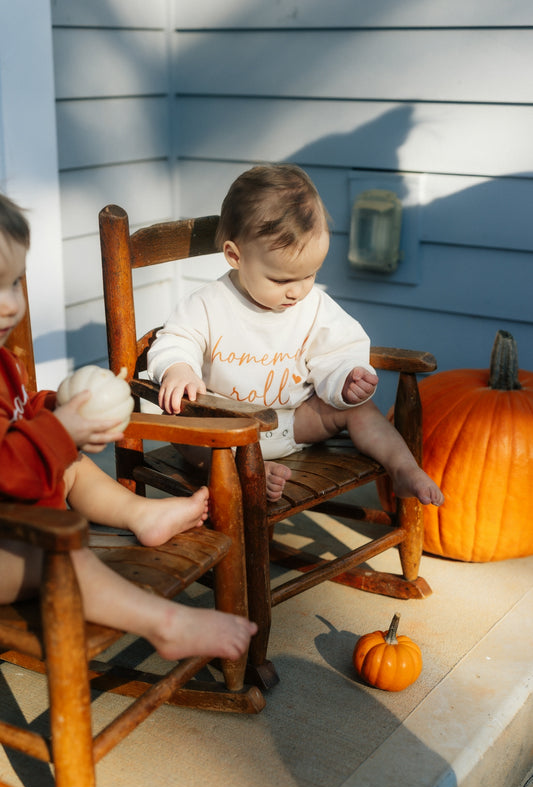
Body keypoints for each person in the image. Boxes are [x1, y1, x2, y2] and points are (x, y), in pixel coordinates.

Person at [0, 192, 256, 663]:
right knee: (64, 555)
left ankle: (142, 515)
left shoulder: (1, 362)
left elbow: (14, 420)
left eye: (14, 283)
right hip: (11, 544)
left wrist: (56, 410)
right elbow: (7, 469)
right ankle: (164, 625)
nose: (7, 306)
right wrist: (57, 429)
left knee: (72, 465)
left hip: (19, 519)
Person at [147, 163, 444, 507]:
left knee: (359, 410)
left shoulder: (314, 305)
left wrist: (346, 377)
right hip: (228, 432)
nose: (297, 291)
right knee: (190, 435)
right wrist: (178, 367)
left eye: (310, 275)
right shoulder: (209, 304)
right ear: (235, 256)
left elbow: (340, 347)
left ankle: (403, 467)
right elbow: (176, 338)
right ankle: (252, 471)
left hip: (297, 422)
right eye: (281, 280)